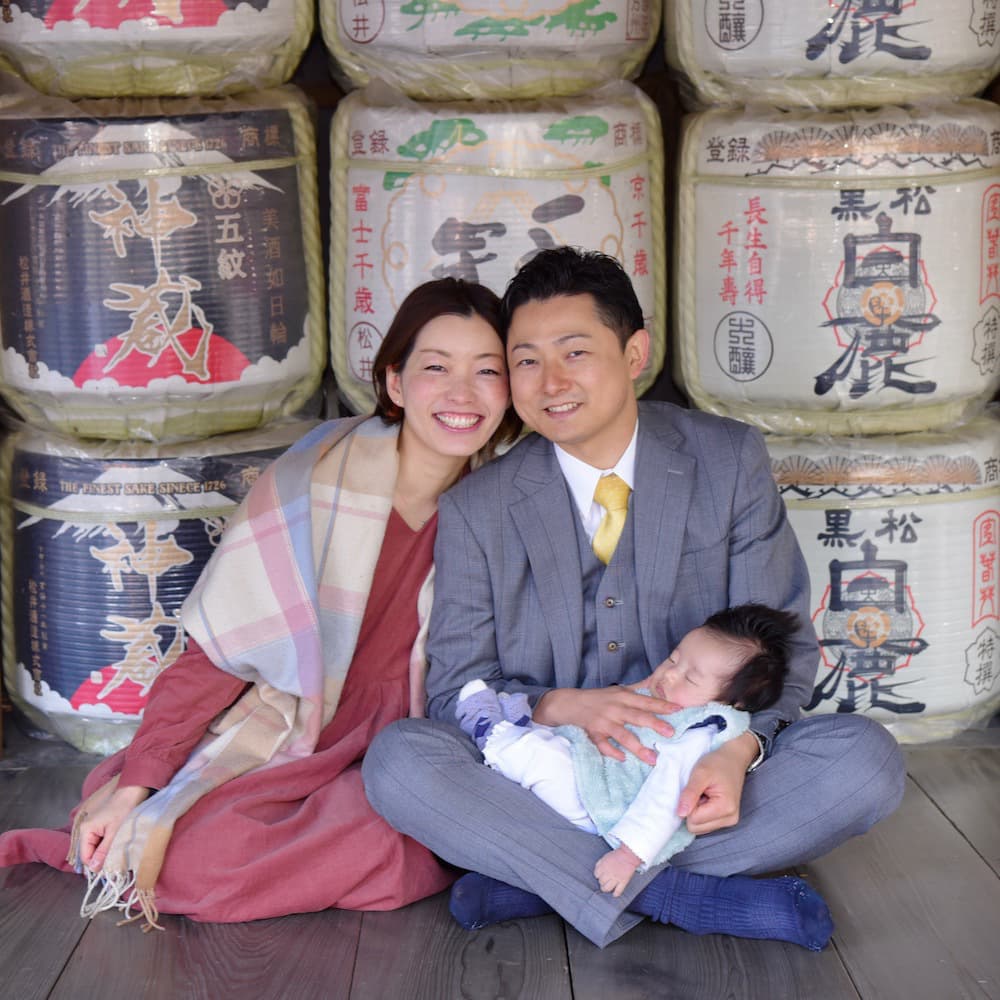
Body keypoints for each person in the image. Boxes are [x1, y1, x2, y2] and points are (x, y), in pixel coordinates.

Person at [362, 247, 906, 951]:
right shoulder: (478, 506)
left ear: (635, 353)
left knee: (865, 763)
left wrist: (738, 753)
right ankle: (679, 894)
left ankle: (539, 879)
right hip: (552, 781)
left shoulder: (727, 460)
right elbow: (454, 691)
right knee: (399, 763)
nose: (551, 382)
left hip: (692, 772)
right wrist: (558, 706)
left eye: (575, 352)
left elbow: (785, 651)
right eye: (526, 360)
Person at [0, 277, 519, 930]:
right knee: (186, 853)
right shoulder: (312, 481)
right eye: (436, 368)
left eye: (487, 371)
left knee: (403, 817)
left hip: (415, 737)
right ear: (394, 381)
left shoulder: (508, 500)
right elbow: (221, 653)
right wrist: (138, 783)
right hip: (293, 720)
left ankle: (426, 843)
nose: (463, 394)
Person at [456, 603, 797, 900]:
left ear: (732, 704)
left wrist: (629, 856)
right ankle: (518, 728)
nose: (669, 675)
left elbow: (667, 799)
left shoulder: (696, 734)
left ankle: (492, 734)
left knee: (542, 760)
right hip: (595, 772)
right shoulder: (664, 698)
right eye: (673, 659)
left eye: (690, 678)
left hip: (601, 809)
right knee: (552, 747)